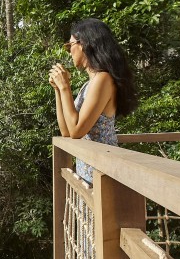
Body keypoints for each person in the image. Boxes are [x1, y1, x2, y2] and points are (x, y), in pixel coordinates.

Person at [48, 18, 137, 185]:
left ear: (84, 44)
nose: (69, 51)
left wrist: (66, 87)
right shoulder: (89, 84)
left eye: (70, 45)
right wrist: (58, 89)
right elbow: (66, 131)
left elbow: (76, 131)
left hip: (103, 175)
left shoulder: (103, 79)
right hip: (90, 176)